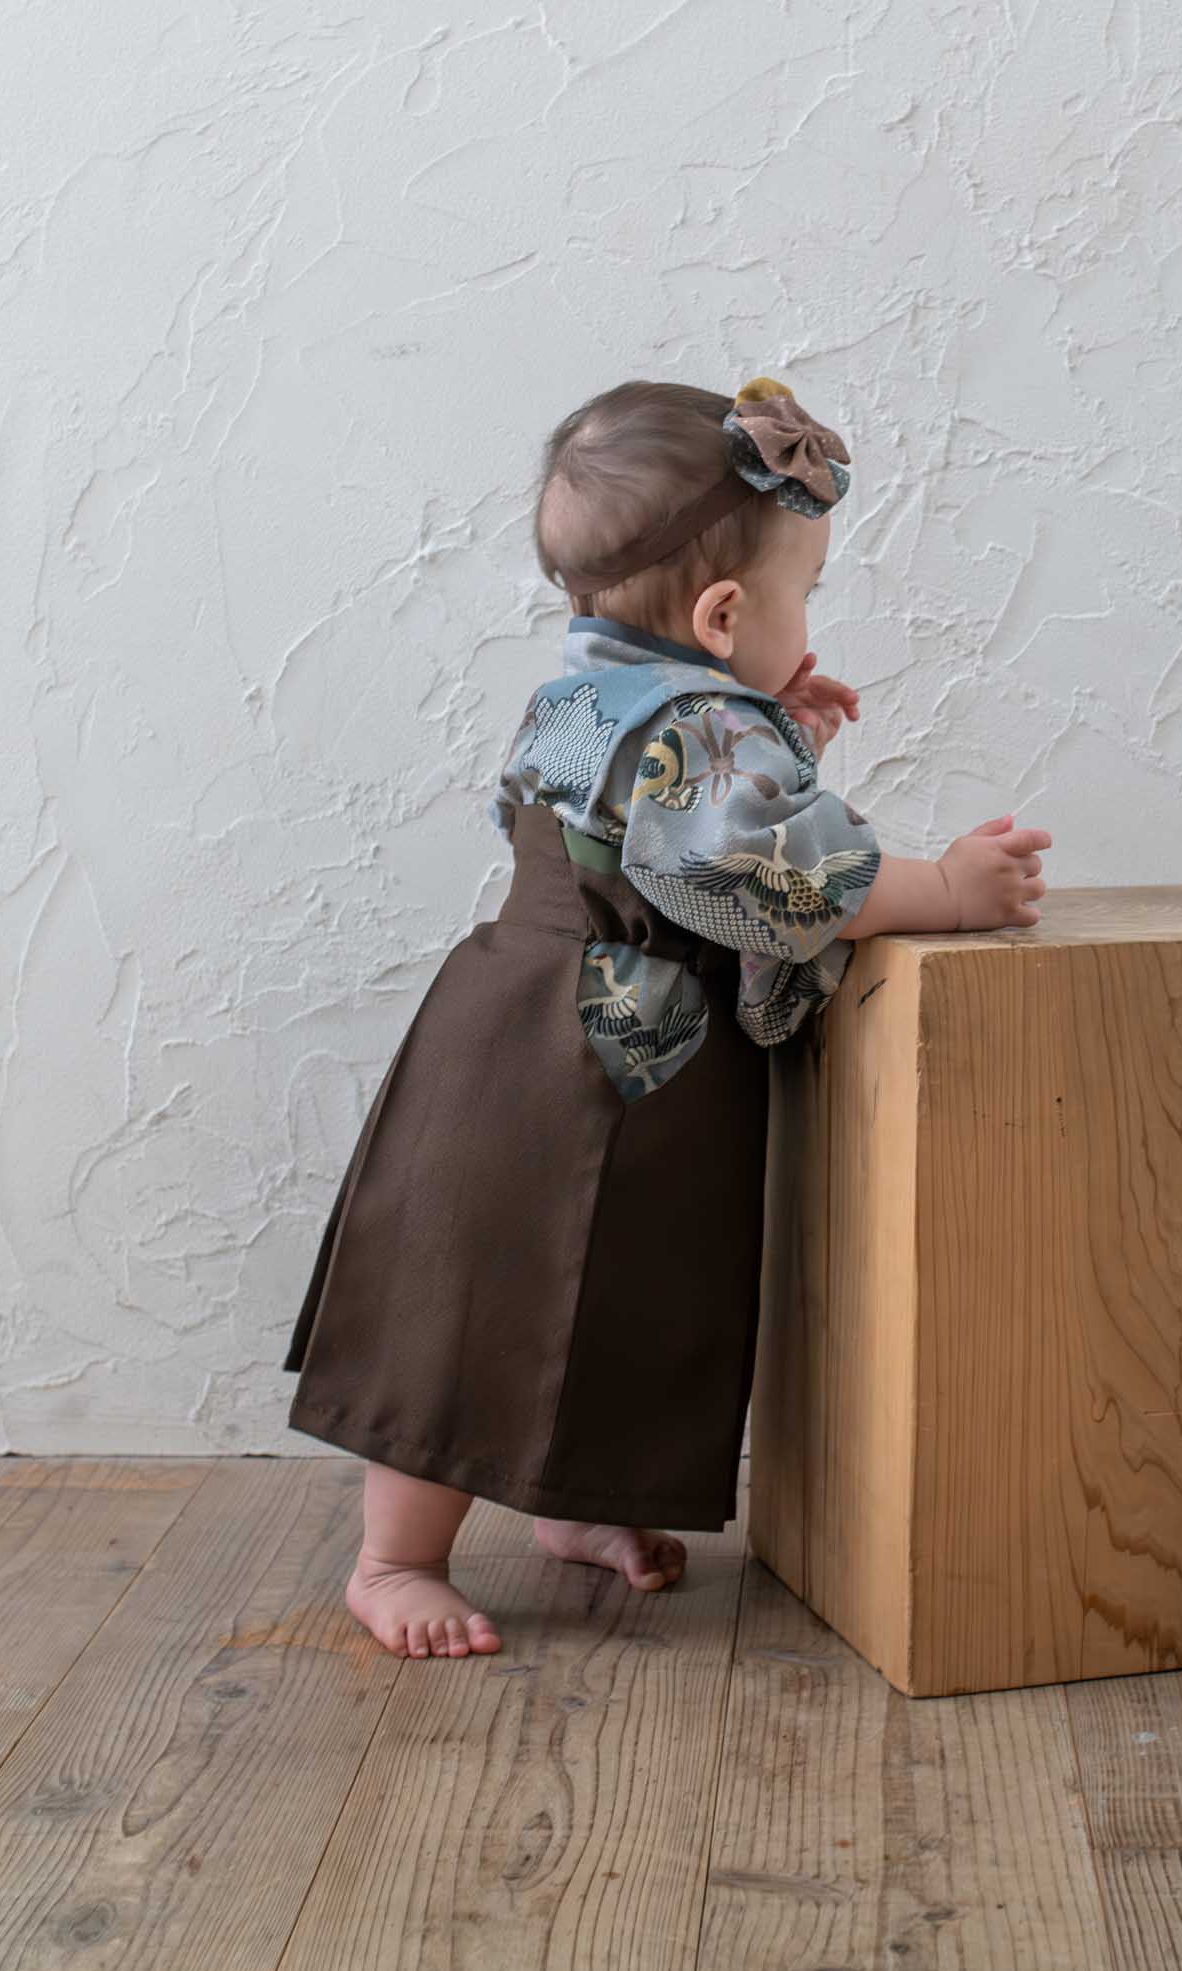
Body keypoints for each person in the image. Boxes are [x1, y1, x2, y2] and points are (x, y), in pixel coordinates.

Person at [281, 375, 1052, 1659]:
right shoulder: (699, 719)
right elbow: (761, 873)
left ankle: (573, 1500)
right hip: (574, 1051)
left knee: (624, 1286)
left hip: (545, 1020)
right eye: (805, 593)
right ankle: (393, 1558)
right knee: (476, 1297)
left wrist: (778, 740)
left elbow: (641, 827)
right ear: (723, 615)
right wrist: (946, 890)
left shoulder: (597, 691)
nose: (808, 621)